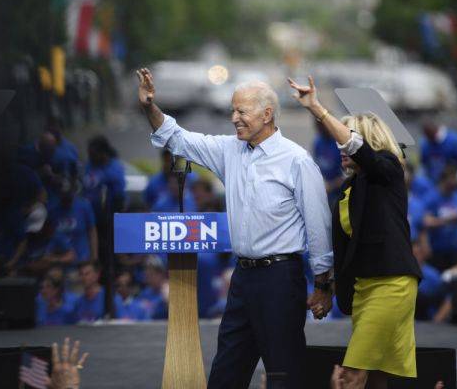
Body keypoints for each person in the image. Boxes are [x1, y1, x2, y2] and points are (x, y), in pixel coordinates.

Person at [137, 68, 333, 388]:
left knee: (285, 375)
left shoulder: (296, 160)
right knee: (225, 375)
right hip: (242, 279)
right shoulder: (229, 151)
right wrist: (149, 107)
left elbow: (318, 224)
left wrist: (324, 283)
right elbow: (178, 138)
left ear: (267, 114)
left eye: (241, 111)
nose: (233, 118)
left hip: (281, 280)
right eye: (232, 110)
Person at [288, 76, 422, 388]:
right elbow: (349, 249)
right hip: (364, 291)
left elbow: (361, 152)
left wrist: (318, 109)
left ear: (368, 142)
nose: (340, 146)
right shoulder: (352, 187)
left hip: (390, 287)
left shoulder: (388, 171)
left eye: (347, 139)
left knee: (350, 376)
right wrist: (327, 289)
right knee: (376, 380)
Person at [424, 165, 457, 272]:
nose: (455, 182)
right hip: (437, 251)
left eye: (456, 178)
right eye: (452, 179)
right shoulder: (431, 198)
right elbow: (425, 221)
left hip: (456, 249)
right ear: (444, 180)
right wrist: (445, 220)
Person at [419, 118, 457, 191]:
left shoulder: (454, 141)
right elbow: (423, 168)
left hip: (456, 191)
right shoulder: (425, 144)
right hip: (435, 190)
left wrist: (456, 178)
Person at [49, 180, 98, 264]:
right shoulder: (52, 208)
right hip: (60, 258)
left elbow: (92, 231)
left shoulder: (84, 205)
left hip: (81, 257)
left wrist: (94, 257)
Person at [313, 122, 344, 204]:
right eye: (318, 126)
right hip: (327, 193)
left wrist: (331, 185)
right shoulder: (318, 143)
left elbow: (347, 175)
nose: (320, 129)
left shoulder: (339, 143)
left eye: (322, 125)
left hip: (341, 193)